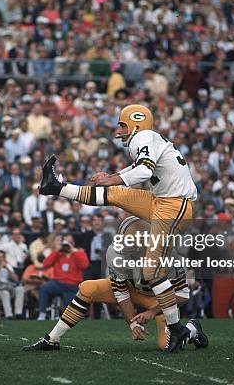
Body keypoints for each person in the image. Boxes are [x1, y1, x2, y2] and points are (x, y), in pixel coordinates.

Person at [39, 104, 196, 352]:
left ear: (136, 124)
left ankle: (180, 328)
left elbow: (145, 169)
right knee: (112, 194)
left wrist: (112, 177)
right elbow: (140, 168)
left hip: (173, 205)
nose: (118, 131)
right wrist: (112, 176)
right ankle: (56, 187)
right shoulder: (149, 138)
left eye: (122, 125)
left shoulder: (142, 137)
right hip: (162, 201)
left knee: (151, 270)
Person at [24, 217, 207, 352]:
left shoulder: (168, 255)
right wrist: (133, 324)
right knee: (88, 288)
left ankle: (191, 329)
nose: (126, 247)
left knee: (165, 345)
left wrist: (151, 312)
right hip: (131, 289)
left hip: (159, 299)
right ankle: (52, 339)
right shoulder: (115, 252)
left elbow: (183, 295)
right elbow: (121, 293)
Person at [36, 235, 89, 321]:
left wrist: (74, 251)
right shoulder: (58, 254)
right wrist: (56, 250)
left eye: (69, 242)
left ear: (73, 243)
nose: (66, 245)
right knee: (44, 288)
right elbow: (45, 264)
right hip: (57, 283)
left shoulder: (78, 253)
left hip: (72, 286)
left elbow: (84, 265)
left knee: (69, 314)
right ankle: (42, 313)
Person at [0, 250, 24, 319]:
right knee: (5, 293)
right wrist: (0, 267)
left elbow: (16, 279)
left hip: (9, 286)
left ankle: (18, 313)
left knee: (20, 289)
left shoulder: (8, 265)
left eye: (1, 257)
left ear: (4, 258)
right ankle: (9, 315)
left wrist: (7, 268)